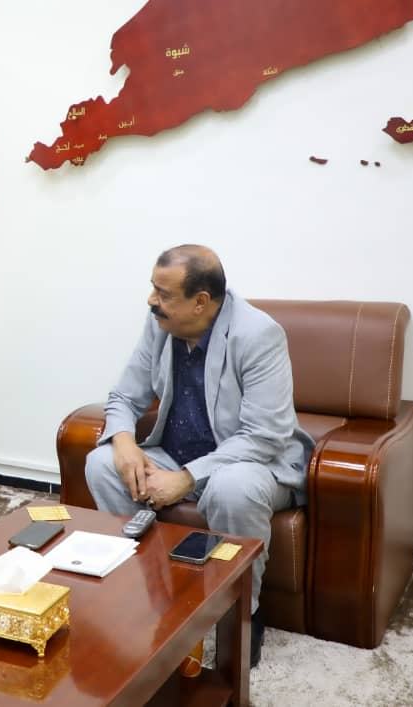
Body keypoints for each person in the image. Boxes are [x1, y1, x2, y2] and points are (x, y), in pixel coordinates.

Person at [84, 244, 314, 668]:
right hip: (174, 454)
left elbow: (265, 436)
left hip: (252, 464)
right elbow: (124, 397)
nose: (151, 300)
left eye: (163, 294)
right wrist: (124, 443)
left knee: (231, 489)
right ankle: (149, 593)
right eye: (153, 288)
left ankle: (242, 614)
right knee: (101, 463)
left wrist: (186, 478)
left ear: (201, 301)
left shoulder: (258, 335)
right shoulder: (160, 324)